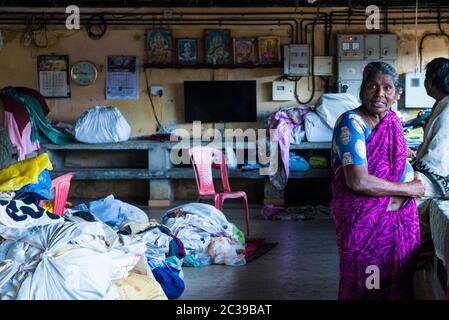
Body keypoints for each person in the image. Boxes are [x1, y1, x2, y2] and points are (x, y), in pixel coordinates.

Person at [330, 61, 425, 300]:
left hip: (397, 223)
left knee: (394, 285)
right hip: (365, 223)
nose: (379, 94)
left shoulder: (391, 122)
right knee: (365, 285)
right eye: (372, 86)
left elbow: (391, 161)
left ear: (397, 94)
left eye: (387, 88)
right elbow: (358, 181)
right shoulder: (351, 123)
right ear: (361, 89)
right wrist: (407, 189)